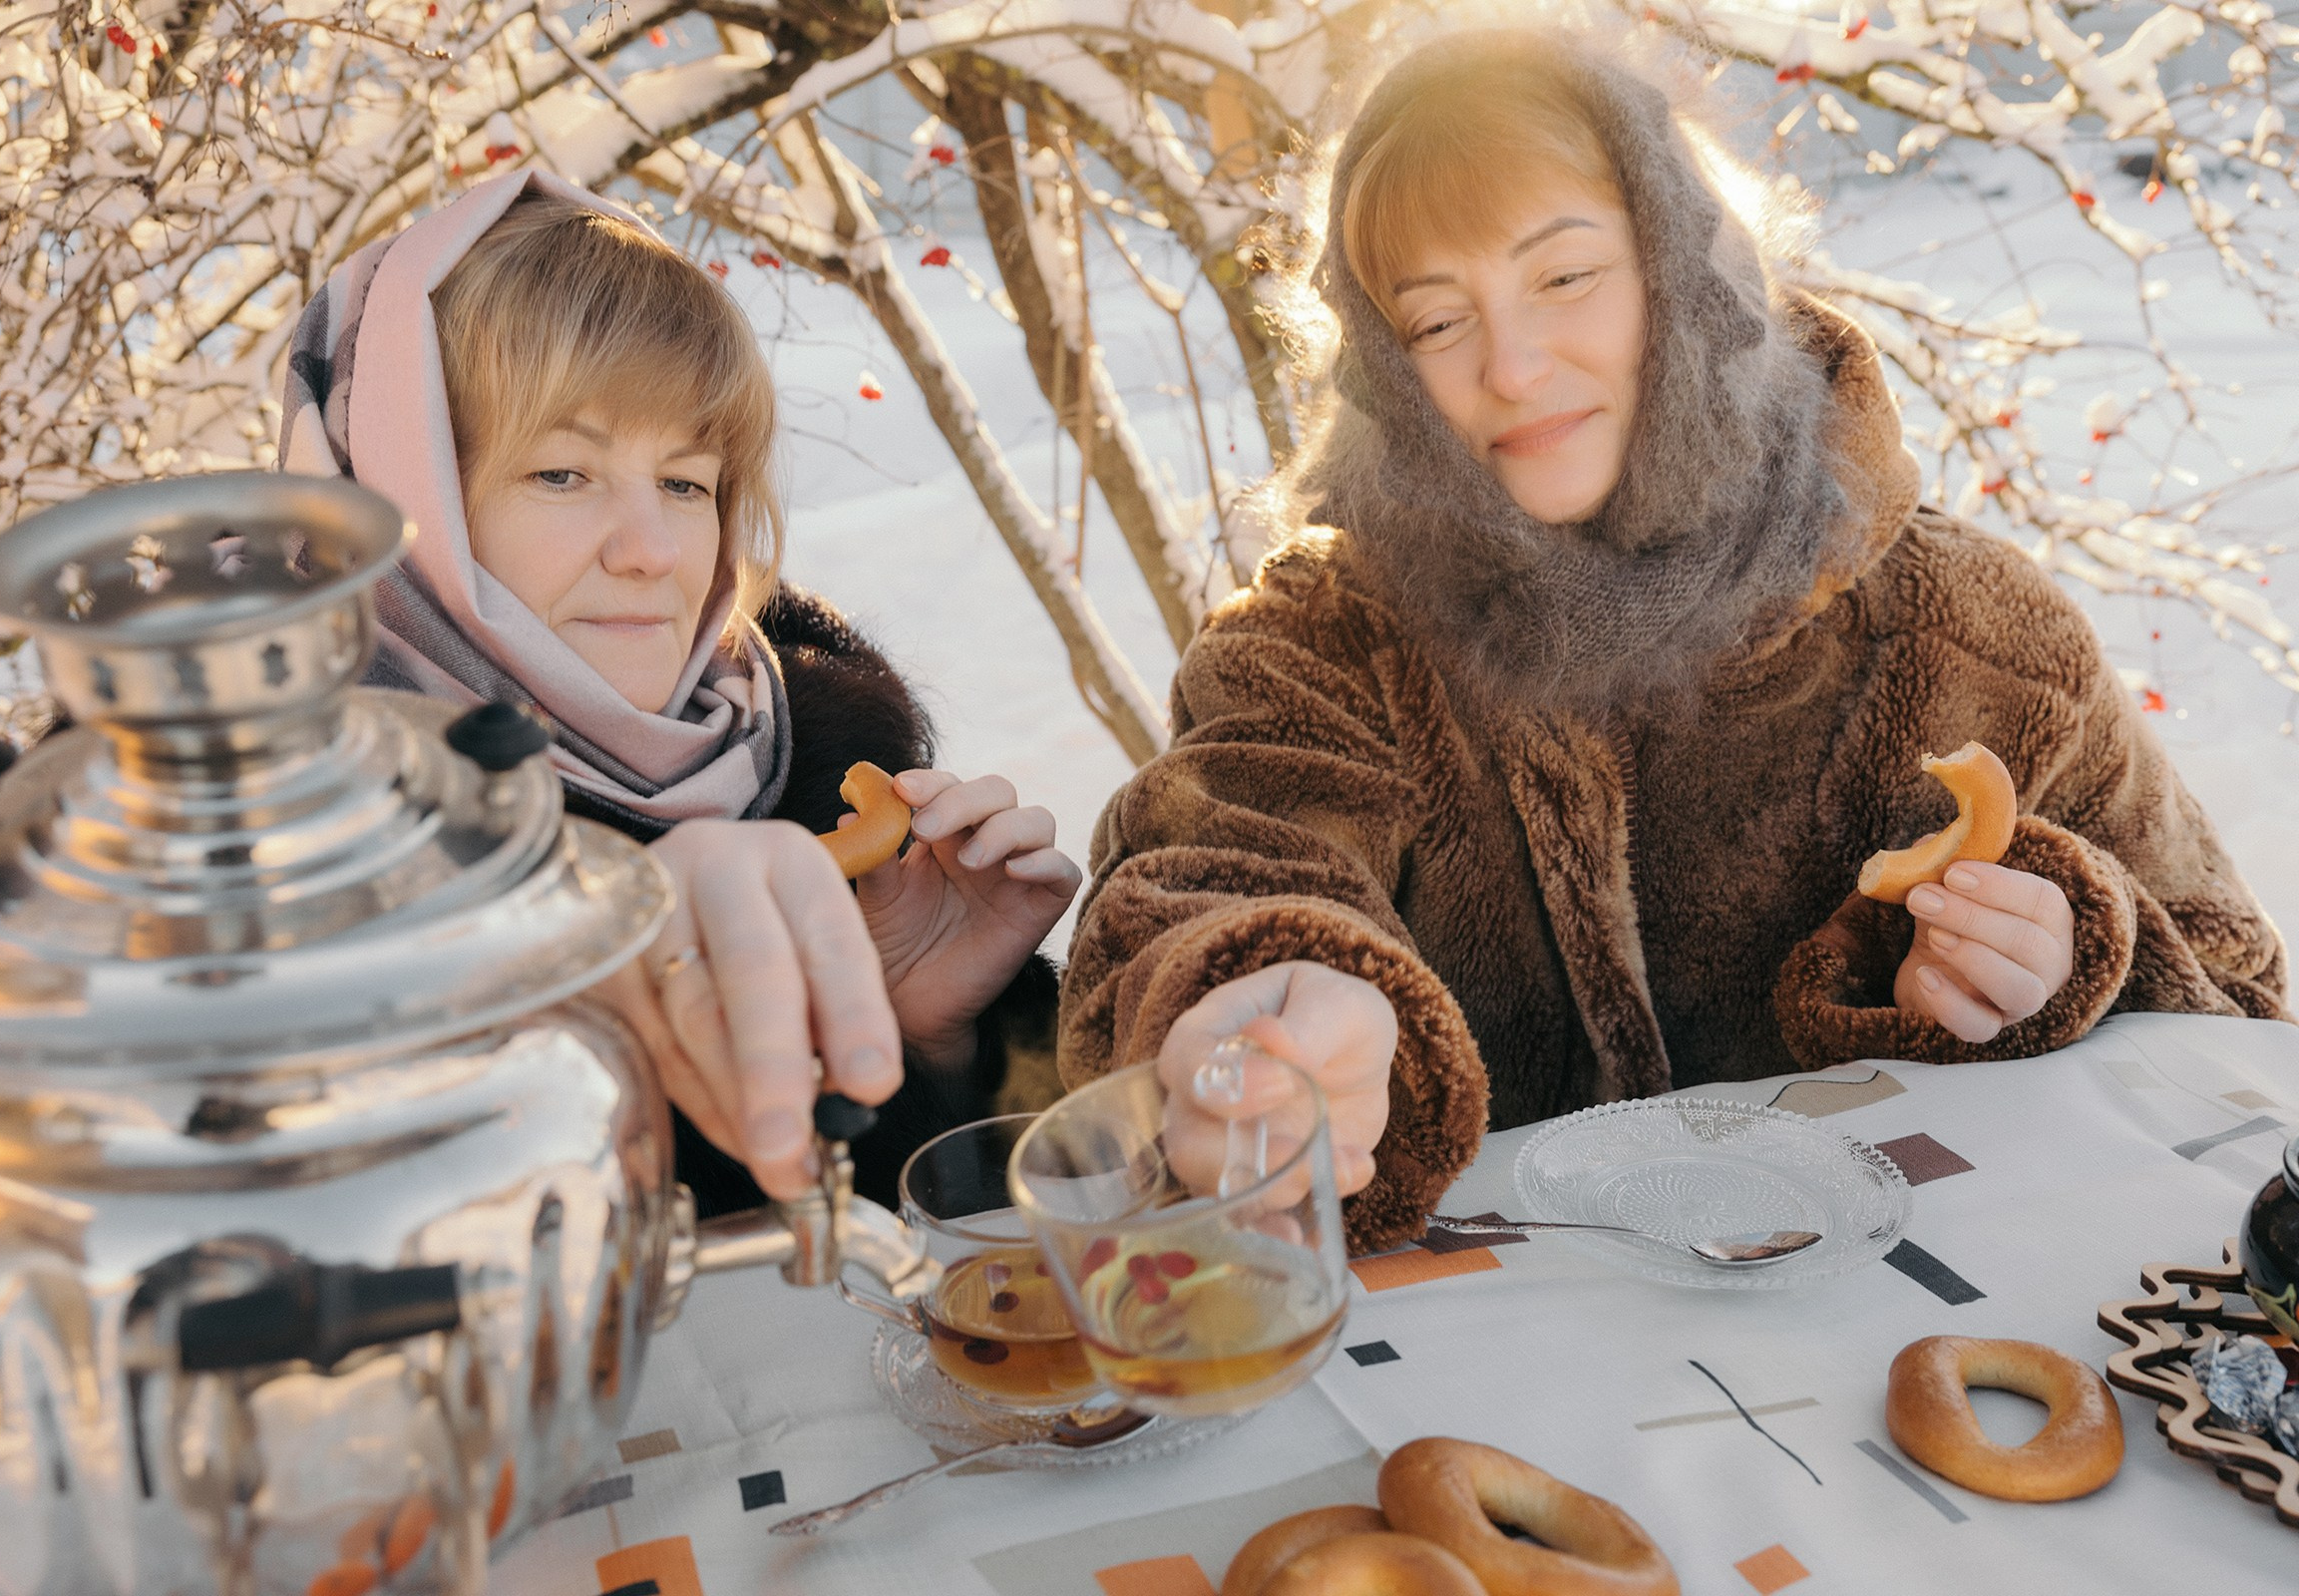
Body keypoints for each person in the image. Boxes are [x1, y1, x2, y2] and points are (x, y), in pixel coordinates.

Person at [1061, 30, 2288, 1253]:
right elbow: (1206, 872)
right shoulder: (1321, 642)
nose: (1513, 364)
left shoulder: (1970, 629)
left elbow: (2241, 1011)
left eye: (1564, 276)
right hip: (1489, 1384)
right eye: (1436, 323)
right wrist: (1263, 998)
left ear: (1687, 268)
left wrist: (2071, 951)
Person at [279, 172, 1077, 1212]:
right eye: (562, 473)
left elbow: (993, 1303)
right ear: (393, 491)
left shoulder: (810, 767)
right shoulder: (234, 860)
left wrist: (929, 1046)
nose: (654, 552)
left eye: (686, 483)